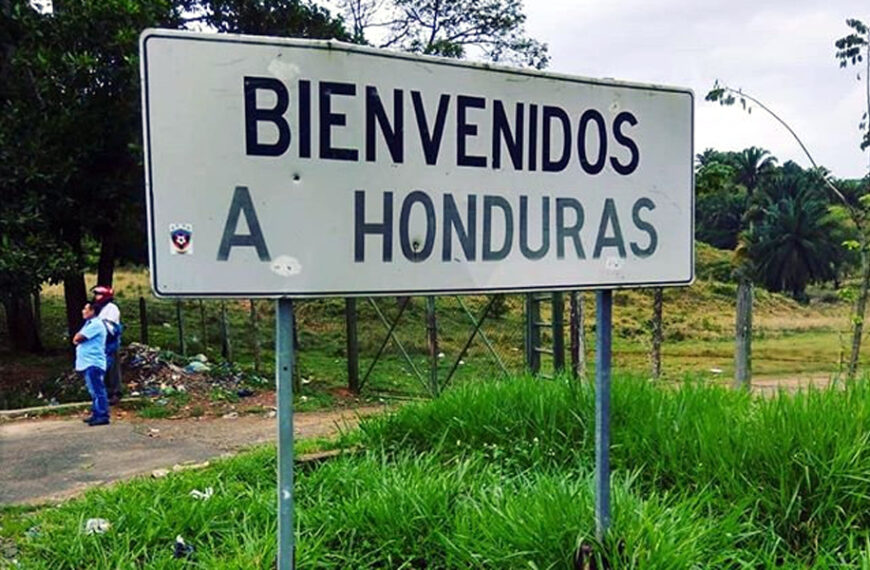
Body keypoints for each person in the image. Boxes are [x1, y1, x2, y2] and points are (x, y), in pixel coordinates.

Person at [73, 302, 110, 426]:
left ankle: (102, 415)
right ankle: (96, 414)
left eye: (85, 309)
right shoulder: (89, 324)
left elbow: (78, 338)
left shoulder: (96, 325)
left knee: (97, 390)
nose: (83, 311)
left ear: (92, 311)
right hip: (88, 362)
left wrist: (77, 338)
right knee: (93, 390)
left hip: (93, 363)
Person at [92, 285, 123, 405]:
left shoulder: (111, 308)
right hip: (100, 343)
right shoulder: (98, 308)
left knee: (113, 368)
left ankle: (115, 393)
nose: (96, 297)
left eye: (98, 295)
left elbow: (110, 326)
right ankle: (105, 393)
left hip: (110, 342)